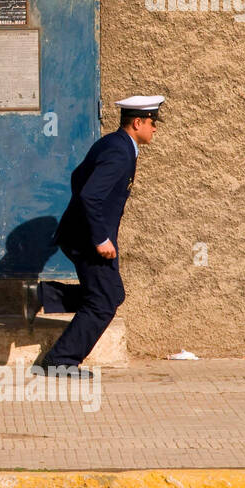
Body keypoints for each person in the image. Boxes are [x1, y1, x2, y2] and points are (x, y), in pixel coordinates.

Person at [23, 95, 164, 378]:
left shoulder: (115, 144)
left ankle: (43, 294)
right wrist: (100, 238)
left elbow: (78, 177)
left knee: (112, 295)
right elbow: (88, 194)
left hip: (84, 233)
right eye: (152, 122)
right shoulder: (119, 152)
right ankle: (60, 361)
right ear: (138, 122)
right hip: (89, 238)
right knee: (103, 302)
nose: (155, 128)